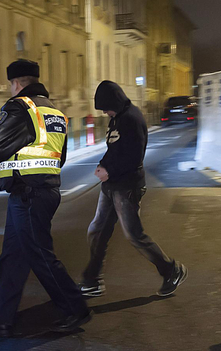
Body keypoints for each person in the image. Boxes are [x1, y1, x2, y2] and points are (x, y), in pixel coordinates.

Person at [0, 59, 91, 337]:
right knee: (12, 256)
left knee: (40, 255)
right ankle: (0, 318)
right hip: (42, 190)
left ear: (15, 83)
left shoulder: (20, 107)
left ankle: (75, 307)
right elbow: (59, 157)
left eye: (11, 84)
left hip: (29, 193)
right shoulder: (54, 112)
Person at [79, 80, 187, 298]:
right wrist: (103, 164)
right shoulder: (117, 117)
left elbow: (134, 157)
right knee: (97, 231)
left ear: (115, 102)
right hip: (111, 185)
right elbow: (114, 149)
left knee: (134, 235)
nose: (105, 113)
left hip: (127, 187)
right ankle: (92, 279)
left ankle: (171, 270)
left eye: (106, 108)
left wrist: (109, 170)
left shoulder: (132, 118)